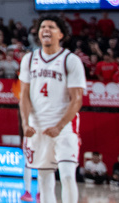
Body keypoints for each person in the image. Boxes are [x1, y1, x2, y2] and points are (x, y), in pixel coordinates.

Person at [19, 16, 85, 203]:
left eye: (51, 27)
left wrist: (60, 125)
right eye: (43, 27)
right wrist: (25, 123)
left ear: (61, 34)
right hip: (38, 128)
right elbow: (23, 96)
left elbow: (77, 99)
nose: (45, 29)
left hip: (64, 128)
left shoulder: (70, 60)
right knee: (44, 180)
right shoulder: (29, 59)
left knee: (66, 175)